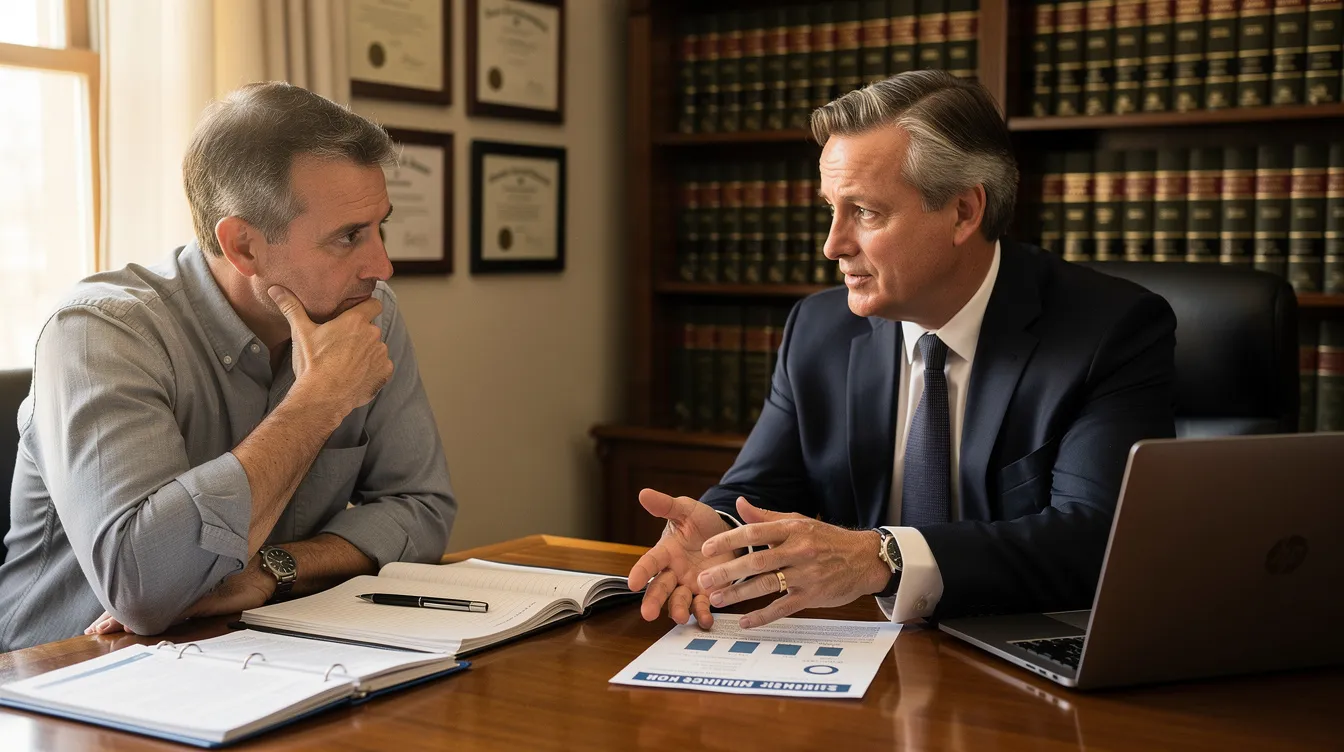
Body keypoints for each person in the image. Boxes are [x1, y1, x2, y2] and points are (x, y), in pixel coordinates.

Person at [627, 70, 1177, 631]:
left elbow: (1096, 537)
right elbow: (758, 487)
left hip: (1023, 652)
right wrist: (720, 531)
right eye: (830, 209)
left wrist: (883, 557)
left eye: (864, 212)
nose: (832, 244)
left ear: (963, 211)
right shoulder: (819, 328)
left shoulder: (1109, 330)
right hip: (866, 657)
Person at [0, 82, 456, 650]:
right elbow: (142, 590)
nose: (381, 265)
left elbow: (424, 508)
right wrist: (319, 399)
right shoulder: (99, 334)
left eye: (379, 226)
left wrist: (274, 568)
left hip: (257, 655)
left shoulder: (365, 316)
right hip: (63, 679)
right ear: (243, 246)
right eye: (349, 237)